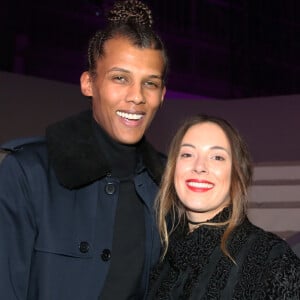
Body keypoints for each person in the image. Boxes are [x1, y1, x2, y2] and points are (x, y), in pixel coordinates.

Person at [0, 1, 168, 299]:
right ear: (89, 83)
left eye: (150, 83)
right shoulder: (27, 172)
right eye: (120, 78)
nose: (137, 96)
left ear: (162, 94)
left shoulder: (167, 188)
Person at [147, 114, 300, 299]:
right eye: (187, 154)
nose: (199, 166)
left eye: (217, 157)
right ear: (173, 170)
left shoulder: (271, 259)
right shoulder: (158, 258)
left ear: (237, 175)